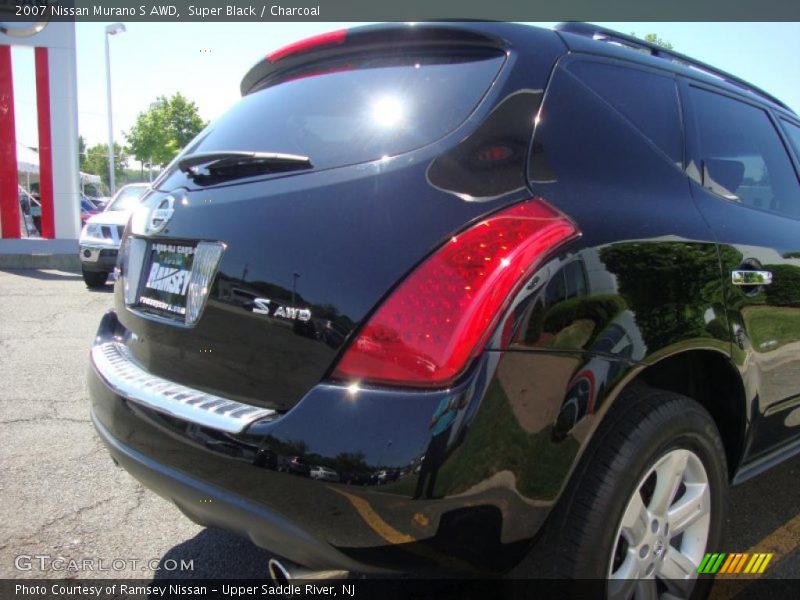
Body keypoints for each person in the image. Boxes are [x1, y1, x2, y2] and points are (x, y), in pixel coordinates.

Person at [413, 394, 467, 499]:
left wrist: (457, 404)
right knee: (425, 466)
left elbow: (462, 405)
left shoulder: (458, 396)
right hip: (435, 435)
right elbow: (430, 425)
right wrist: (443, 411)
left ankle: (430, 492)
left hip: (446, 432)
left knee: (436, 465)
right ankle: (417, 493)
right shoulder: (443, 402)